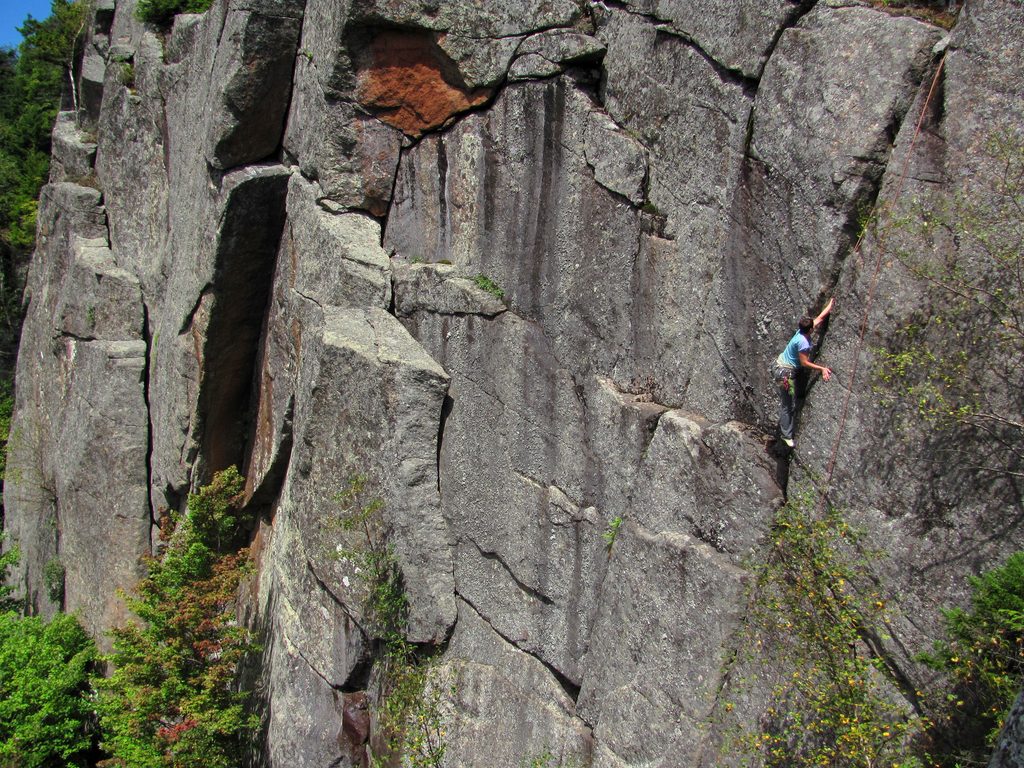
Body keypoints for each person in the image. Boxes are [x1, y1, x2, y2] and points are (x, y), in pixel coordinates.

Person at [774, 298, 834, 448]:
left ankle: (786, 429)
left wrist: (831, 304)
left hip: (781, 366)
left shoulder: (801, 331)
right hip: (784, 374)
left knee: (792, 397)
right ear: (811, 330)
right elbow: (804, 363)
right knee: (788, 404)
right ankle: (786, 436)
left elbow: (819, 318)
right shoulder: (803, 343)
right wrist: (822, 369)